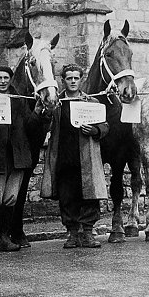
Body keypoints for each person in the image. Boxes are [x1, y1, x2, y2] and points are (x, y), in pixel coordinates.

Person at [0, 66, 48, 254]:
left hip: (16, 157)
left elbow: (30, 127)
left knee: (11, 198)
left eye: (6, 78)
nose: (3, 81)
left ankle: (5, 237)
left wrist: (37, 112)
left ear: (11, 79)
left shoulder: (20, 101)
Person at [41, 64, 109, 248]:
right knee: (67, 196)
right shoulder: (56, 103)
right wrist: (45, 111)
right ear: (63, 80)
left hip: (86, 157)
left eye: (76, 78)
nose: (72, 81)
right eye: (69, 78)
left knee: (89, 195)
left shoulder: (91, 103)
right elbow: (44, 124)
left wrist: (95, 129)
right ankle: (72, 233)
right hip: (64, 156)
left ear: (81, 79)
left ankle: (87, 233)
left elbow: (105, 126)